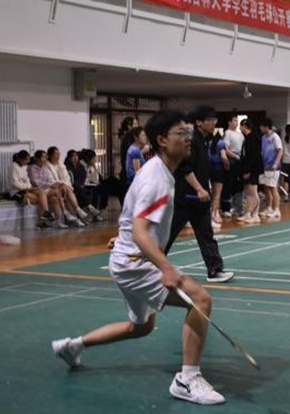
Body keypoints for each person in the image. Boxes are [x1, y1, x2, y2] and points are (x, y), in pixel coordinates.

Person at [51, 109, 226, 405]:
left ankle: (73, 346)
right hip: (135, 264)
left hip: (127, 259)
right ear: (162, 140)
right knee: (201, 299)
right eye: (181, 133)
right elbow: (141, 230)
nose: (188, 138)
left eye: (189, 132)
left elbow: (132, 217)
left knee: (141, 327)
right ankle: (187, 379)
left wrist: (123, 238)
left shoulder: (160, 170)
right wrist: (166, 268)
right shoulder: (156, 179)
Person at [164, 105, 234, 283]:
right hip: (186, 198)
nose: (213, 123)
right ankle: (148, 265)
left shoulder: (205, 141)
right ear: (199, 122)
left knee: (206, 235)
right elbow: (185, 169)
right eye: (209, 120)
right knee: (168, 234)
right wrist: (199, 189)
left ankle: (215, 270)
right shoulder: (191, 140)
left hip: (200, 200)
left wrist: (206, 190)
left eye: (214, 120)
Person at [9, 150, 55, 230]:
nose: (28, 161)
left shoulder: (24, 166)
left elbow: (27, 179)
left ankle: (45, 214)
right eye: (26, 160)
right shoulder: (13, 167)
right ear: (21, 159)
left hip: (26, 189)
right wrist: (27, 187)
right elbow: (15, 183)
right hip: (16, 192)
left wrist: (30, 187)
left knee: (41, 191)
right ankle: (40, 221)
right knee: (41, 199)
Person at [46, 146, 88, 226]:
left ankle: (75, 217)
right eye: (56, 154)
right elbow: (50, 180)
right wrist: (62, 184)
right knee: (67, 191)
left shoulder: (61, 165)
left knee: (68, 194)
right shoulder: (47, 166)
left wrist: (64, 184)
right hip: (52, 188)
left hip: (63, 187)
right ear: (50, 155)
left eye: (59, 154)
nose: (58, 156)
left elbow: (67, 178)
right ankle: (76, 211)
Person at [238, 118, 263, 223]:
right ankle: (248, 213)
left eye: (241, 126)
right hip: (249, 168)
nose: (240, 128)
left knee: (252, 192)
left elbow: (252, 156)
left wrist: (248, 170)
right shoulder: (247, 138)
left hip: (252, 169)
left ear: (245, 126)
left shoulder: (252, 138)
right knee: (249, 192)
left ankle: (255, 214)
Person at [258, 118, 284, 218]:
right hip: (265, 166)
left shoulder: (275, 137)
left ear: (266, 126)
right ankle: (269, 207)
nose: (260, 128)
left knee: (273, 187)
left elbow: (280, 151)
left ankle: (276, 209)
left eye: (261, 126)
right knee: (266, 187)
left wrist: (276, 164)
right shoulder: (263, 137)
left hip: (273, 167)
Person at [221, 114, 244, 217]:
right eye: (234, 120)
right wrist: (235, 156)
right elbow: (226, 148)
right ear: (229, 122)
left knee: (238, 185)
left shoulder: (240, 134)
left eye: (237, 121)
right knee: (228, 184)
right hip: (231, 159)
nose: (236, 123)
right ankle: (225, 208)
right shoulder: (227, 133)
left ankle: (238, 208)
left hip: (240, 160)